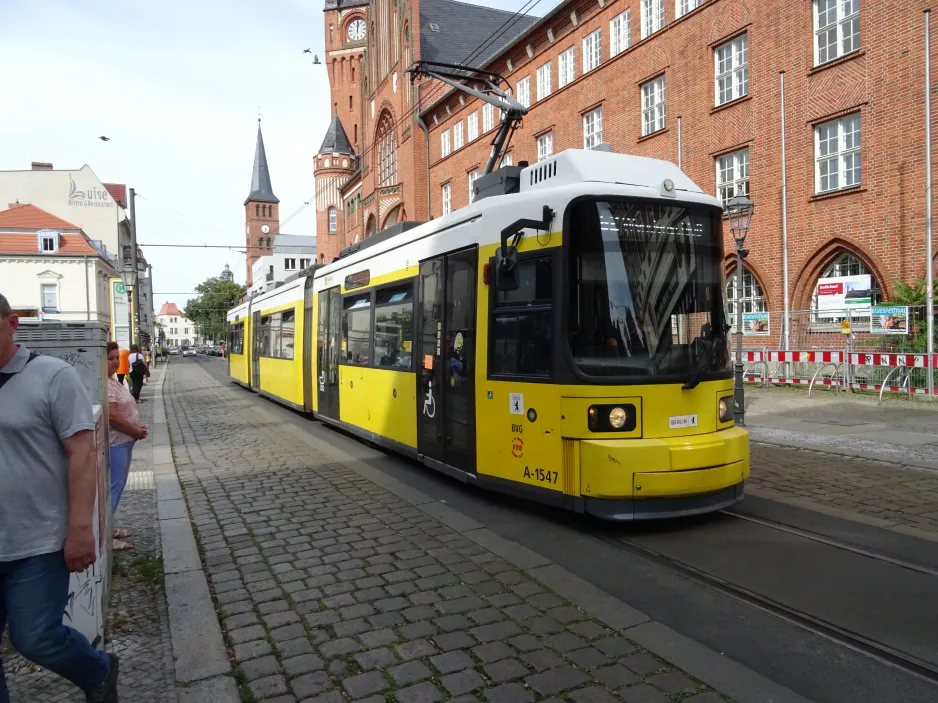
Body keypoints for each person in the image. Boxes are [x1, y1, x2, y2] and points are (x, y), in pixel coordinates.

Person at [0, 293, 119, 702]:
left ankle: (98, 670)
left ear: (12, 323)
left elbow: (82, 455)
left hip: (37, 540)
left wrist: (81, 530)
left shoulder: (52, 376)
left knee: (36, 638)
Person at [106, 341, 148, 551]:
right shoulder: (105, 384)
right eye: (109, 358)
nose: (115, 361)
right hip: (116, 444)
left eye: (116, 357)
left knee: (116, 487)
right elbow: (112, 416)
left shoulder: (112, 381)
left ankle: (108, 527)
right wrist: (135, 431)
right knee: (113, 489)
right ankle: (105, 539)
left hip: (123, 442)